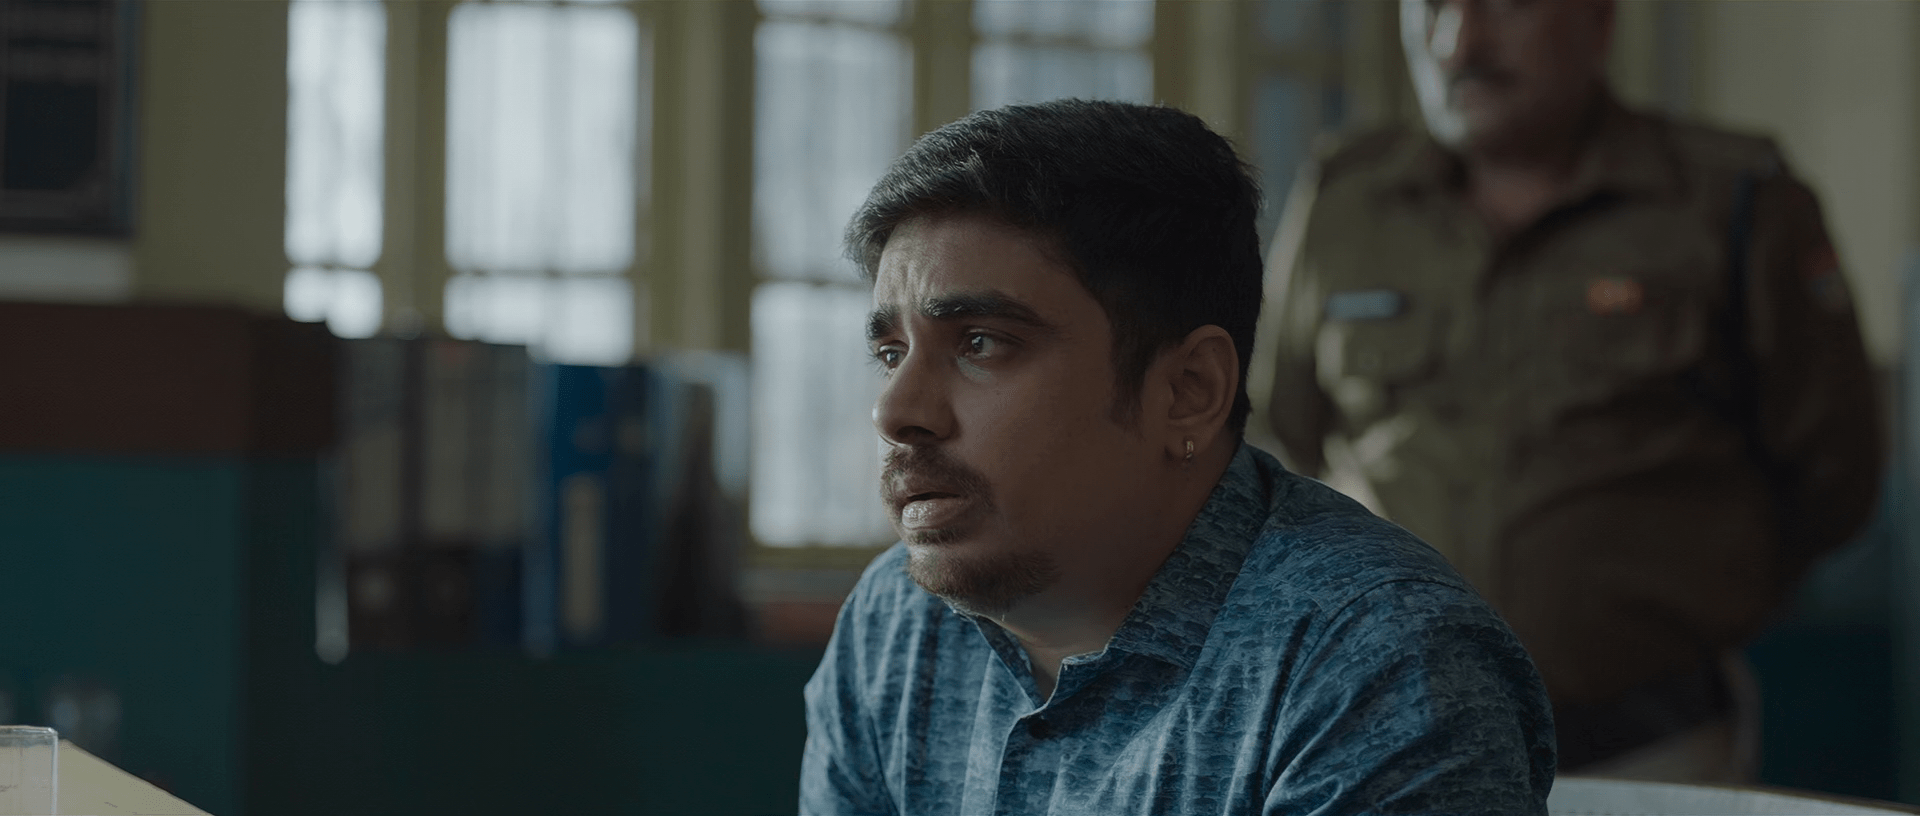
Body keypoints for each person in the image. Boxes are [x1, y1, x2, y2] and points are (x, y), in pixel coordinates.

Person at [800, 99, 1554, 816]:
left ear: (1189, 392)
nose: (895, 411)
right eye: (890, 353)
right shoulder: (895, 628)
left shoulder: (1382, 664)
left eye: (980, 343)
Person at [1257, 0, 1883, 779]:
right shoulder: (1346, 197)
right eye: (1431, 5)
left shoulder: (1732, 198)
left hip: (1646, 746)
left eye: (1506, 5)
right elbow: (1290, 438)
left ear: (1599, 21)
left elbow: (1834, 475)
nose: (1459, 42)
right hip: (1382, 741)